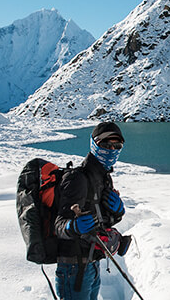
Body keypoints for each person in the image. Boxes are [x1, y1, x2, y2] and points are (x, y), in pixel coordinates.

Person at [53, 121, 127, 299]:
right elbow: (58, 226)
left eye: (116, 146)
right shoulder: (77, 178)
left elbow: (103, 221)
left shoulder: (103, 178)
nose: (111, 149)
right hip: (73, 267)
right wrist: (73, 226)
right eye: (105, 144)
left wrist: (117, 212)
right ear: (94, 144)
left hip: (92, 264)